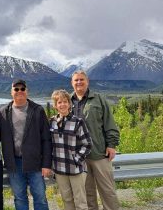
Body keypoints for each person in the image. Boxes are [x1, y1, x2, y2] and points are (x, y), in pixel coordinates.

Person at [0, 79, 52, 210]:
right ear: (11, 92)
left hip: (35, 162)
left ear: (27, 91)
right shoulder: (3, 112)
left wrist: (46, 164)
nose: (19, 91)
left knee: (40, 197)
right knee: (19, 197)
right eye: (16, 89)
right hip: (14, 163)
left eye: (22, 89)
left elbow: (46, 139)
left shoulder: (37, 110)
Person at [70, 70, 120, 210]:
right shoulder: (68, 101)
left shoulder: (98, 99)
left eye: (81, 79)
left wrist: (111, 145)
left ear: (87, 81)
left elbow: (109, 123)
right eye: (76, 80)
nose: (79, 82)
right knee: (87, 193)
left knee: (108, 191)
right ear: (72, 83)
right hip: (79, 157)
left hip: (99, 153)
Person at [50, 89, 92, 210]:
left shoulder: (78, 122)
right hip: (59, 168)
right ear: (55, 105)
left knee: (80, 202)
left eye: (65, 101)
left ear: (69, 104)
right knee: (67, 200)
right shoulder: (51, 122)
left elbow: (87, 144)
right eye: (59, 102)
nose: (62, 104)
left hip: (76, 168)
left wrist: (77, 159)